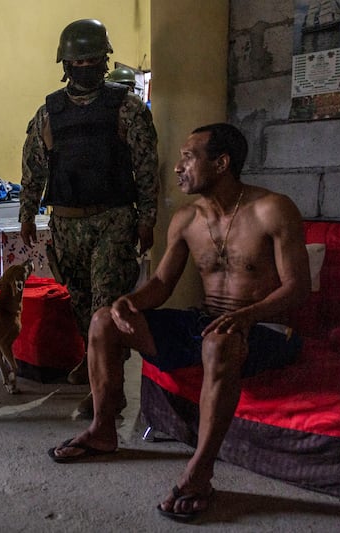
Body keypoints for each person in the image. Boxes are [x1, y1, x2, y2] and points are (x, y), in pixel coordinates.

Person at [46, 123, 311, 520]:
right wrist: (127, 303)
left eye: (189, 157)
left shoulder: (272, 209)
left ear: (221, 163)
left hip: (264, 328)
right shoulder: (187, 219)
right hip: (205, 324)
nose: (177, 167)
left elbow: (297, 288)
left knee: (218, 341)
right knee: (103, 320)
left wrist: (244, 316)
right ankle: (103, 431)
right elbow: (161, 283)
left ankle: (200, 472)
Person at [19, 18, 159, 413]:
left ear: (105, 60)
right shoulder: (49, 112)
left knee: (105, 303)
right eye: (77, 62)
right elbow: (34, 167)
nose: (85, 68)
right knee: (80, 301)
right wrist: (27, 214)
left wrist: (147, 218)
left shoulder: (126, 107)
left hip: (113, 220)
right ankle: (94, 361)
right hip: (65, 222)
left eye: (93, 60)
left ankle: (108, 394)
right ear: (64, 64)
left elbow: (146, 165)